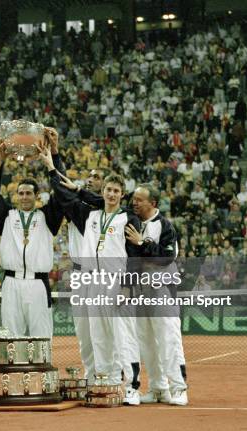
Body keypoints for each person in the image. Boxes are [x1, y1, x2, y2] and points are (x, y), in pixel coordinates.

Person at [45, 147, 143, 404]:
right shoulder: (89, 216)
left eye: (115, 191)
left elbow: (135, 257)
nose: (111, 195)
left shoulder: (129, 219)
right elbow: (65, 197)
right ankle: (106, 379)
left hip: (116, 280)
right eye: (108, 190)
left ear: (122, 195)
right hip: (91, 279)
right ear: (103, 193)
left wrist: (127, 285)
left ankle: (132, 386)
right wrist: (51, 168)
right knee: (98, 334)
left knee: (123, 334)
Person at [0, 134, 64, 337]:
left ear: (37, 196)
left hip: (38, 283)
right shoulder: (7, 216)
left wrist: (53, 156)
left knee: (41, 337)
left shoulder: (47, 216)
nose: (25, 196)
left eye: (29, 193)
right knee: (11, 336)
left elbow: (62, 190)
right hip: (11, 284)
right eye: (21, 193)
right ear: (16, 195)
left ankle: (42, 370)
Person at [126, 184, 188, 406]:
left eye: (139, 200)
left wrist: (142, 243)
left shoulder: (165, 226)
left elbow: (166, 258)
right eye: (133, 199)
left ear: (152, 203)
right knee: (146, 341)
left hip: (162, 289)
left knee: (169, 339)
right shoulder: (131, 223)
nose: (134, 203)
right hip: (140, 290)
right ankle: (157, 387)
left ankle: (179, 388)